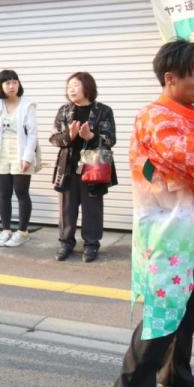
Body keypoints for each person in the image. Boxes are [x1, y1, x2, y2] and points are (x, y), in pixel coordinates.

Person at [106, 40, 194, 387]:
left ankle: (176, 374)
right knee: (164, 308)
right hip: (168, 234)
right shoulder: (155, 117)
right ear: (171, 77)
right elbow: (193, 159)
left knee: (191, 304)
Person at [49, 72, 116, 262]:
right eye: (69, 86)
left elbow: (110, 139)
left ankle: (91, 244)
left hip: (94, 166)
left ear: (88, 87)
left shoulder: (103, 111)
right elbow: (54, 138)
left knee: (92, 208)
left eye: (76, 85)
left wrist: (91, 137)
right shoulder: (64, 110)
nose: (71, 89)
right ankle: (66, 243)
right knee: (66, 209)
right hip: (68, 166)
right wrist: (69, 136)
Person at [0, 70, 38, 247]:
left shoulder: (28, 104)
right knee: (4, 193)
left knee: (21, 192)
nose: (11, 86)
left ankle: (22, 232)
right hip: (2, 153)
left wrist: (27, 158)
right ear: (0, 86)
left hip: (21, 152)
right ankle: (6, 230)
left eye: (14, 82)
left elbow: (32, 134)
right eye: (7, 83)